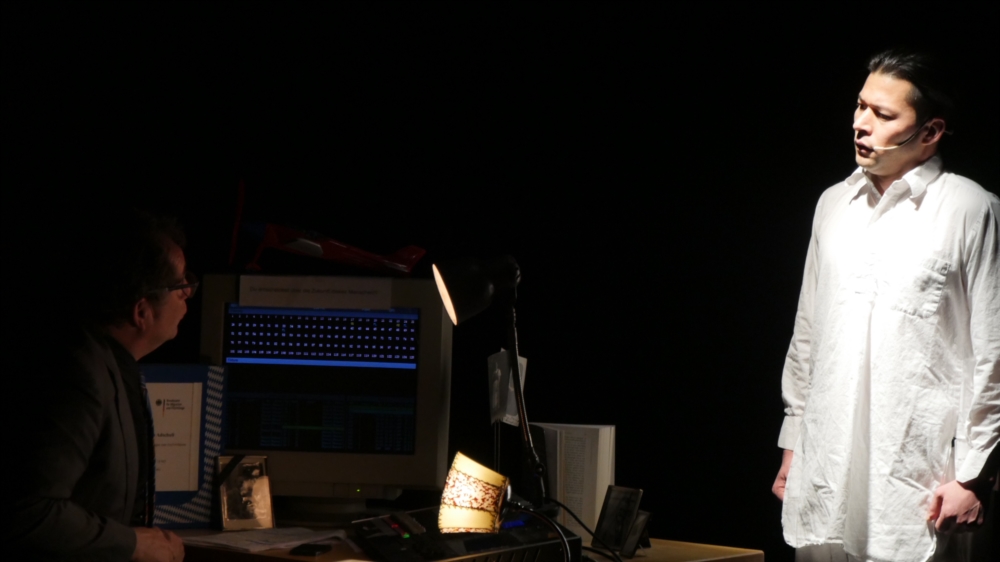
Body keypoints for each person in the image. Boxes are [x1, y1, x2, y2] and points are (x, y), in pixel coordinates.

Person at [771, 49, 999, 562]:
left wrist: (974, 476)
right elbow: (808, 334)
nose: (861, 123)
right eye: (860, 106)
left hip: (919, 486)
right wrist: (793, 444)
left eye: (883, 114)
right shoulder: (833, 204)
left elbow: (993, 354)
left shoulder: (971, 209)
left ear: (930, 131)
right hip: (825, 472)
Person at [4, 210, 194, 562]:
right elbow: (28, 512)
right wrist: (133, 544)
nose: (188, 292)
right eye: (179, 285)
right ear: (141, 311)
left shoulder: (109, 366)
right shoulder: (77, 374)